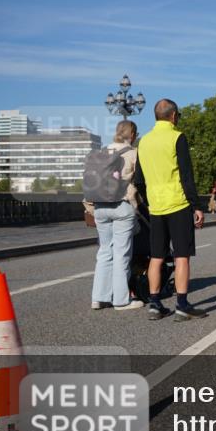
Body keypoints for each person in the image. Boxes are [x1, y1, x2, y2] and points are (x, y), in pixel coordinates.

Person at [132, 99, 208, 322]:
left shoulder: (143, 141)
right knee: (181, 256)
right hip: (178, 204)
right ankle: (182, 305)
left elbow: (138, 180)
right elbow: (186, 176)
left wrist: (151, 200)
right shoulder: (177, 137)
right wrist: (197, 206)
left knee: (156, 256)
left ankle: (155, 304)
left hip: (156, 207)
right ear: (173, 115)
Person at [87, 120, 143, 311]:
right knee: (121, 254)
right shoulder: (133, 153)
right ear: (132, 134)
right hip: (121, 205)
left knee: (104, 252)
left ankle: (99, 298)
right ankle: (121, 300)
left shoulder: (102, 151)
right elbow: (140, 181)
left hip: (100, 207)